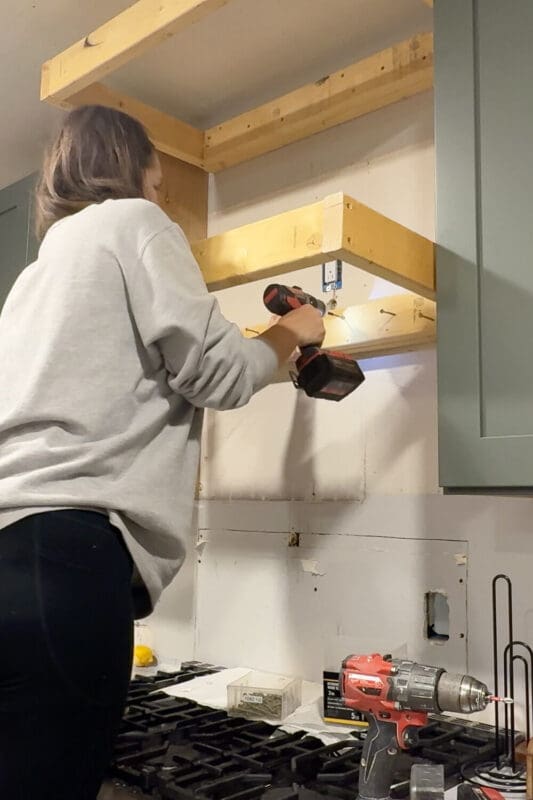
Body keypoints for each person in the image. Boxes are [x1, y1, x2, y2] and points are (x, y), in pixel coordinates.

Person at [0, 105, 325, 799]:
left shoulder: (35, 278)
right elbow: (219, 374)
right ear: (134, 168)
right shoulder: (133, 222)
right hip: (68, 560)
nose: (159, 198)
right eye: (157, 183)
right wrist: (292, 331)